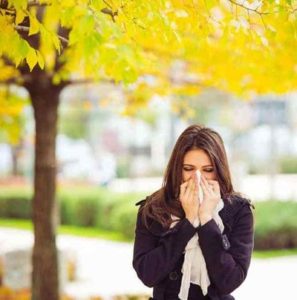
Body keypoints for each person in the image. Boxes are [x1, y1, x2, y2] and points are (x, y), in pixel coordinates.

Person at [132, 124, 254, 300]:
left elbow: (230, 281)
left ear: (219, 171)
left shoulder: (237, 210)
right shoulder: (154, 208)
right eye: (188, 169)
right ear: (177, 169)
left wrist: (205, 219)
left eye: (208, 170)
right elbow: (148, 275)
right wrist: (188, 222)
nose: (197, 178)